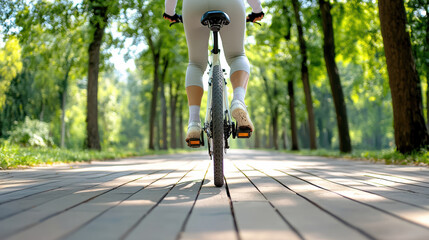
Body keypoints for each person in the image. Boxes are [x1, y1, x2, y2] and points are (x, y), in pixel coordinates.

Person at [163, 0, 264, 146]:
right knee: (237, 56)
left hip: (193, 6)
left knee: (196, 63)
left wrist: (170, 12)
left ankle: (194, 123)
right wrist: (257, 10)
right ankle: (238, 100)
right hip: (230, 4)